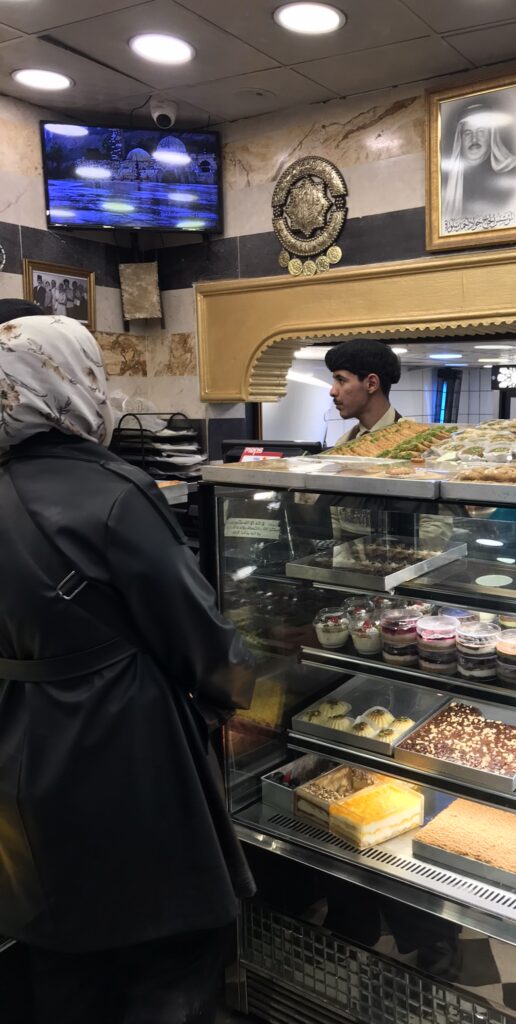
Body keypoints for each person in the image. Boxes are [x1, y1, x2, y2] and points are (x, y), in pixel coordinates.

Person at [0, 314, 257, 1023]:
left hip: (20, 745)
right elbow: (197, 635)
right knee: (164, 955)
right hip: (123, 745)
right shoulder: (114, 491)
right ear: (73, 382)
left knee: (59, 948)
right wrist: (244, 689)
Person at [442, 100, 516, 229]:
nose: (474, 139)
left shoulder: (512, 172)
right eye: (467, 133)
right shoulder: (445, 180)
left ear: (491, 135)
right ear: (460, 138)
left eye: (481, 131)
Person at [325, 339, 402, 445]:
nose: (332, 392)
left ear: (371, 384)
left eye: (341, 380)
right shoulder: (343, 443)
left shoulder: (420, 441)